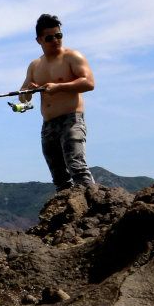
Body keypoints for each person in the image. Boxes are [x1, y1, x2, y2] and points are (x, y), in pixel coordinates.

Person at [18, 14, 96, 191]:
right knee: (59, 176)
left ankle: (94, 205)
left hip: (71, 120)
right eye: (49, 37)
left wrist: (59, 87)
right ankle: (70, 211)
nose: (55, 40)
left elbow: (89, 83)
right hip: (48, 125)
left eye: (59, 35)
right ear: (39, 40)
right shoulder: (35, 66)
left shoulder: (72, 57)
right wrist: (29, 90)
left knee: (76, 166)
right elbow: (23, 97)